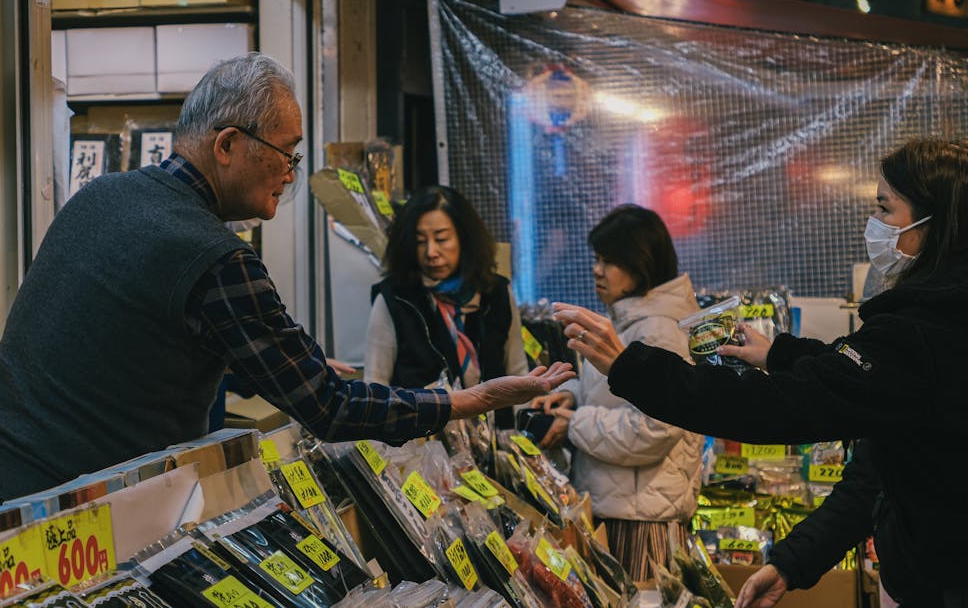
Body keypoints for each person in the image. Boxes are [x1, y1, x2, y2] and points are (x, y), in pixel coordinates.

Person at [0, 53, 574, 523]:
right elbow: (327, 407)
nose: (292, 174)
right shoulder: (215, 255)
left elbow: (132, 347)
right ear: (230, 144)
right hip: (62, 529)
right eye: (288, 154)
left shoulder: (100, 195)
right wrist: (469, 400)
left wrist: (266, 367)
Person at [554, 138, 968, 607]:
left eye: (885, 209)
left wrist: (631, 367)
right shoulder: (930, 328)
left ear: (936, 224)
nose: (874, 226)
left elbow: (773, 407)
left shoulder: (922, 335)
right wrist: (779, 356)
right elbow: (872, 466)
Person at [531, 205, 702, 581]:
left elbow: (655, 427)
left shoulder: (657, 330)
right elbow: (622, 394)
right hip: (624, 510)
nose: (597, 270)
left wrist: (575, 422)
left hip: (642, 523)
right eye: (597, 259)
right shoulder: (630, 322)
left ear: (640, 264)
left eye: (609, 261)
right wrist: (574, 395)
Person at [363, 186, 528, 396]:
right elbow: (375, 388)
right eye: (420, 241)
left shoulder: (495, 293)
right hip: (423, 428)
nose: (431, 252)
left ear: (464, 238)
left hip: (496, 427)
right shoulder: (394, 298)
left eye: (441, 239)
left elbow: (518, 372)